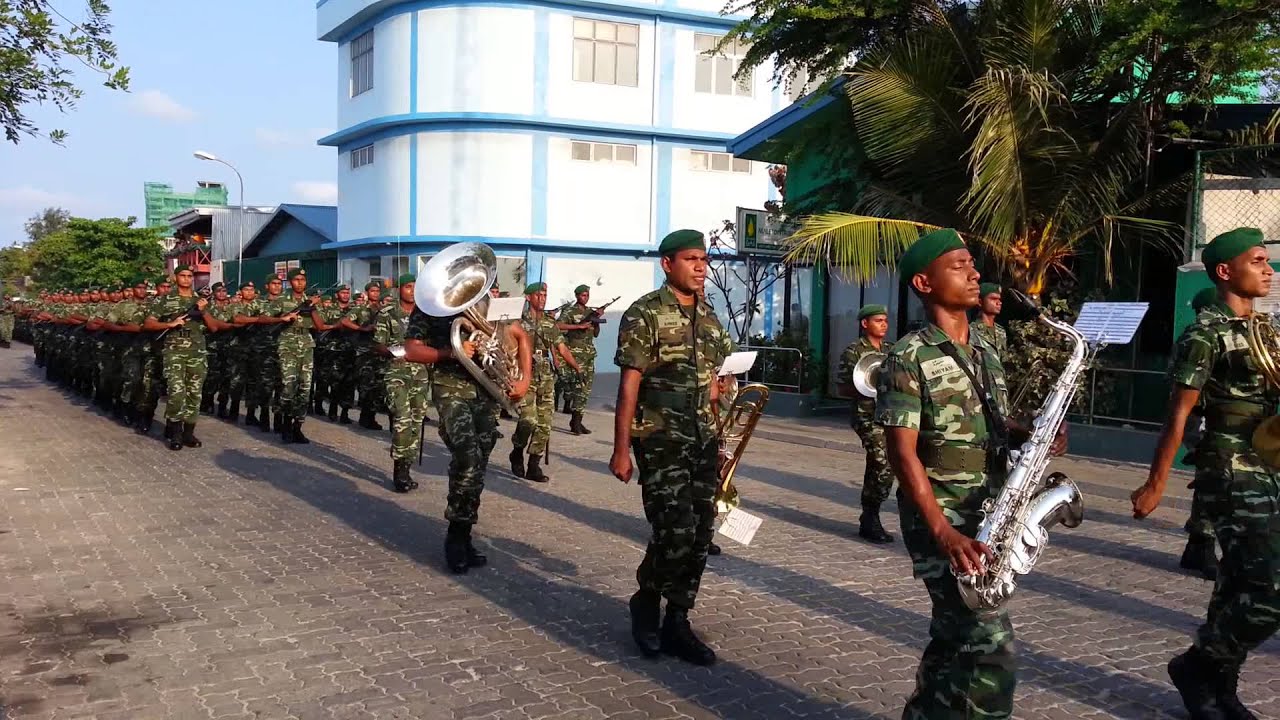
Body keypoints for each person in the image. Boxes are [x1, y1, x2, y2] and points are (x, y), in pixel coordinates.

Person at [876, 228, 1065, 719]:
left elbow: (991, 421)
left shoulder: (985, 343)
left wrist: (1028, 434)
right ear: (924, 282)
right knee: (991, 647)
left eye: (972, 263)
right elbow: (902, 453)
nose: (974, 271)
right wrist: (943, 532)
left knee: (953, 633)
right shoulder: (907, 356)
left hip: (989, 510)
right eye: (958, 264)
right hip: (942, 517)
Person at [1131, 227, 1279, 720]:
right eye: (1257, 260)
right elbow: (1178, 413)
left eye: (1268, 261)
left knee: (1236, 583)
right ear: (1224, 272)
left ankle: (1219, 688)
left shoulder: (1268, 332)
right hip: (1230, 467)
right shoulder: (1205, 335)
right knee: (1268, 587)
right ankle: (1197, 666)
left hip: (1269, 465)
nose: (1268, 269)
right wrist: (1156, 483)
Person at [611, 229, 735, 667]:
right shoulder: (645, 314)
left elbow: (720, 379)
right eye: (690, 259)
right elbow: (630, 386)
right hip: (661, 440)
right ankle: (646, 600)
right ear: (668, 264)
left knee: (702, 532)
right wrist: (621, 449)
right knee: (675, 530)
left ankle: (678, 619)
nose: (701, 268)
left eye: (704, 260)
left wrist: (722, 397)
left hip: (702, 439)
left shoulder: (711, 317)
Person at [403, 284, 532, 573]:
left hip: (485, 391)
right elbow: (411, 350)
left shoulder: (487, 303)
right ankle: (455, 538)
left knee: (479, 462)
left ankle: (464, 532)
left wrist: (524, 380)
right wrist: (452, 352)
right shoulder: (430, 308)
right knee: (467, 456)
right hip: (451, 389)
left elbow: (521, 336)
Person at [835, 304, 895, 544]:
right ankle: (870, 516)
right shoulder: (853, 351)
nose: (884, 324)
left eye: (885, 320)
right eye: (878, 320)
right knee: (881, 463)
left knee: (882, 465)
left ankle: (870, 516)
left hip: (889, 415)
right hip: (866, 416)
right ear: (865, 324)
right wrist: (864, 388)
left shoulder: (891, 350)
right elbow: (841, 387)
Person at [510, 282, 581, 483]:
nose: (543, 298)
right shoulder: (518, 322)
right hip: (525, 376)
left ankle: (534, 464)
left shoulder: (550, 323)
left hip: (546, 377)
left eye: (545, 294)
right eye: (539, 295)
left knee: (545, 423)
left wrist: (576, 366)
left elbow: (561, 347)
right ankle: (517, 450)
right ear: (528, 297)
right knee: (528, 420)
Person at [142, 265, 214, 451]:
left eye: (190, 276)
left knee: (195, 393)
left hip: (197, 353)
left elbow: (213, 327)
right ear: (175, 278)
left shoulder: (201, 301)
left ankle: (188, 433)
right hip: (174, 352)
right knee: (176, 392)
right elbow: (149, 323)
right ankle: (174, 432)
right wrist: (170, 323)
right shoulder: (165, 300)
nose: (187, 279)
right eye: (183, 275)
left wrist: (203, 311)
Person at [1178, 286, 1220, 581]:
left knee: (1211, 481)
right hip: (1202, 418)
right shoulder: (1199, 335)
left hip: (1211, 419)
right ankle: (1201, 545)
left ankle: (1197, 545)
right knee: (1212, 481)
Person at [375, 274, 428, 493]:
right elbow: (377, 345)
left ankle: (406, 466)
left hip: (420, 374)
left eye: (416, 287)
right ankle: (399, 470)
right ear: (399, 289)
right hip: (396, 372)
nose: (412, 291)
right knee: (402, 418)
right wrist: (392, 352)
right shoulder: (387, 313)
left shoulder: (427, 316)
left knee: (417, 421)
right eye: (408, 287)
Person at [266, 268, 317, 444]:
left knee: (305, 389)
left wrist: (312, 308)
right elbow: (264, 319)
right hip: (287, 346)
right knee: (288, 386)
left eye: (303, 279)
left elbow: (320, 325)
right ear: (290, 282)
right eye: (296, 280)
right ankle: (285, 425)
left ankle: (298, 427)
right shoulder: (282, 300)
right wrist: (282, 319)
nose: (300, 283)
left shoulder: (309, 301)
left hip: (307, 346)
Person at [556, 284, 603, 434]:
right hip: (575, 355)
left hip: (589, 354)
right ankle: (574, 421)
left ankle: (578, 420)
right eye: (583, 295)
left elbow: (595, 334)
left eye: (587, 295)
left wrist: (597, 321)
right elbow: (558, 325)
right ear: (577, 296)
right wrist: (578, 327)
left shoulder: (590, 311)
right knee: (578, 387)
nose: (585, 298)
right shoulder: (570, 311)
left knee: (586, 389)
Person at [969, 283, 1007, 361]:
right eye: (993, 299)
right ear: (980, 302)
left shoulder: (1000, 331)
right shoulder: (971, 330)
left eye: (999, 299)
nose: (999, 303)